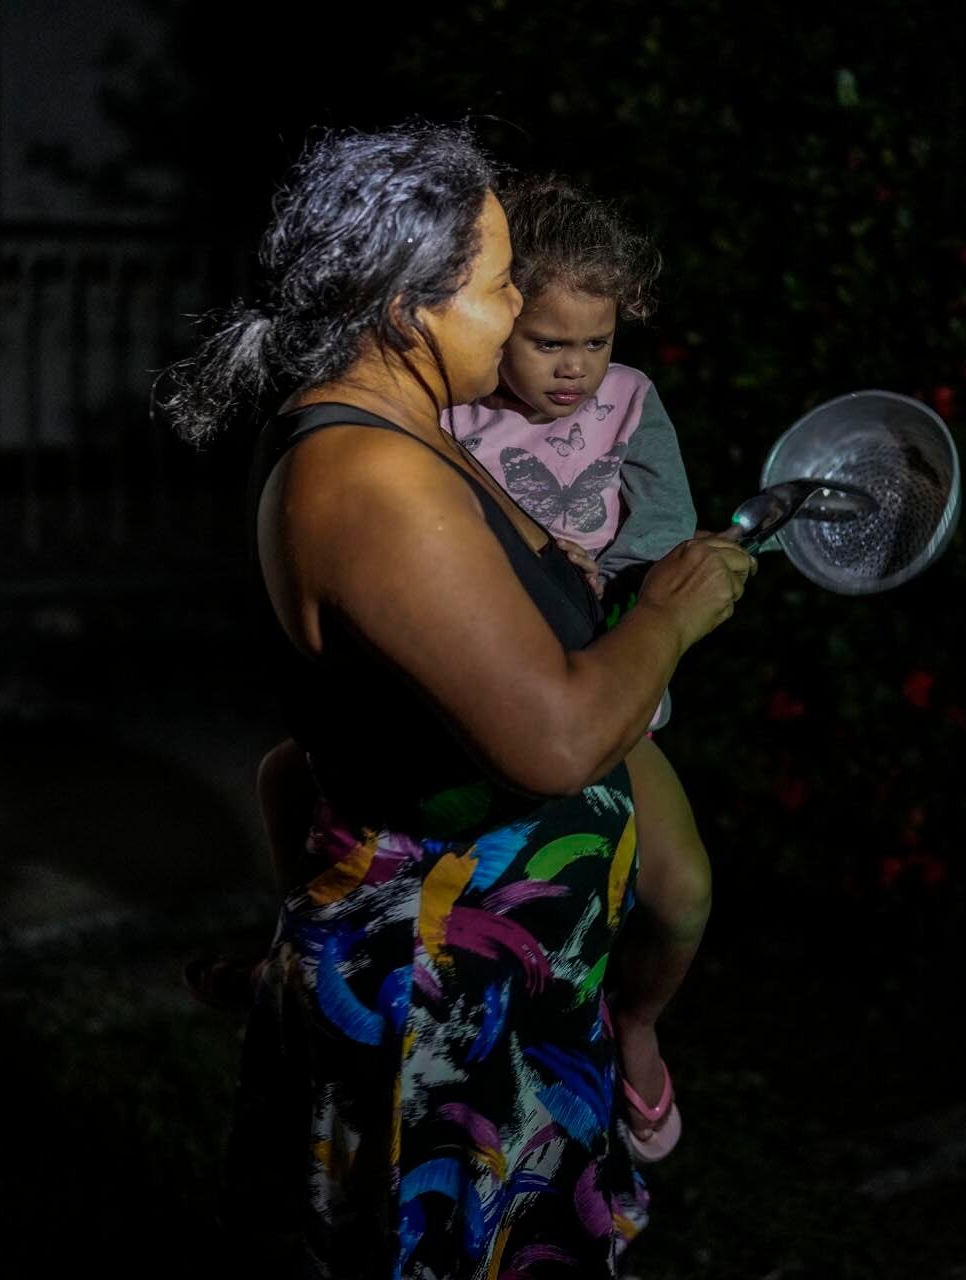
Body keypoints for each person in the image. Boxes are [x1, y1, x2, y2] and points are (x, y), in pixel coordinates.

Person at [157, 123, 754, 1276]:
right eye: (499, 284)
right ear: (407, 307)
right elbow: (558, 741)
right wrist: (668, 616)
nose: (517, 303)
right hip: (449, 1005)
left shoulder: (404, 435)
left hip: (505, 985)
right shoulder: (373, 479)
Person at [443, 176, 711, 1164]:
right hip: (488, 701)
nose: (575, 369)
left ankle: (636, 1022)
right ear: (501, 317)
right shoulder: (454, 415)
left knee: (683, 891)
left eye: (595, 343)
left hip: (608, 698)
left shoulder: (632, 402)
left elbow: (666, 532)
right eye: (549, 342)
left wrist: (623, 577)